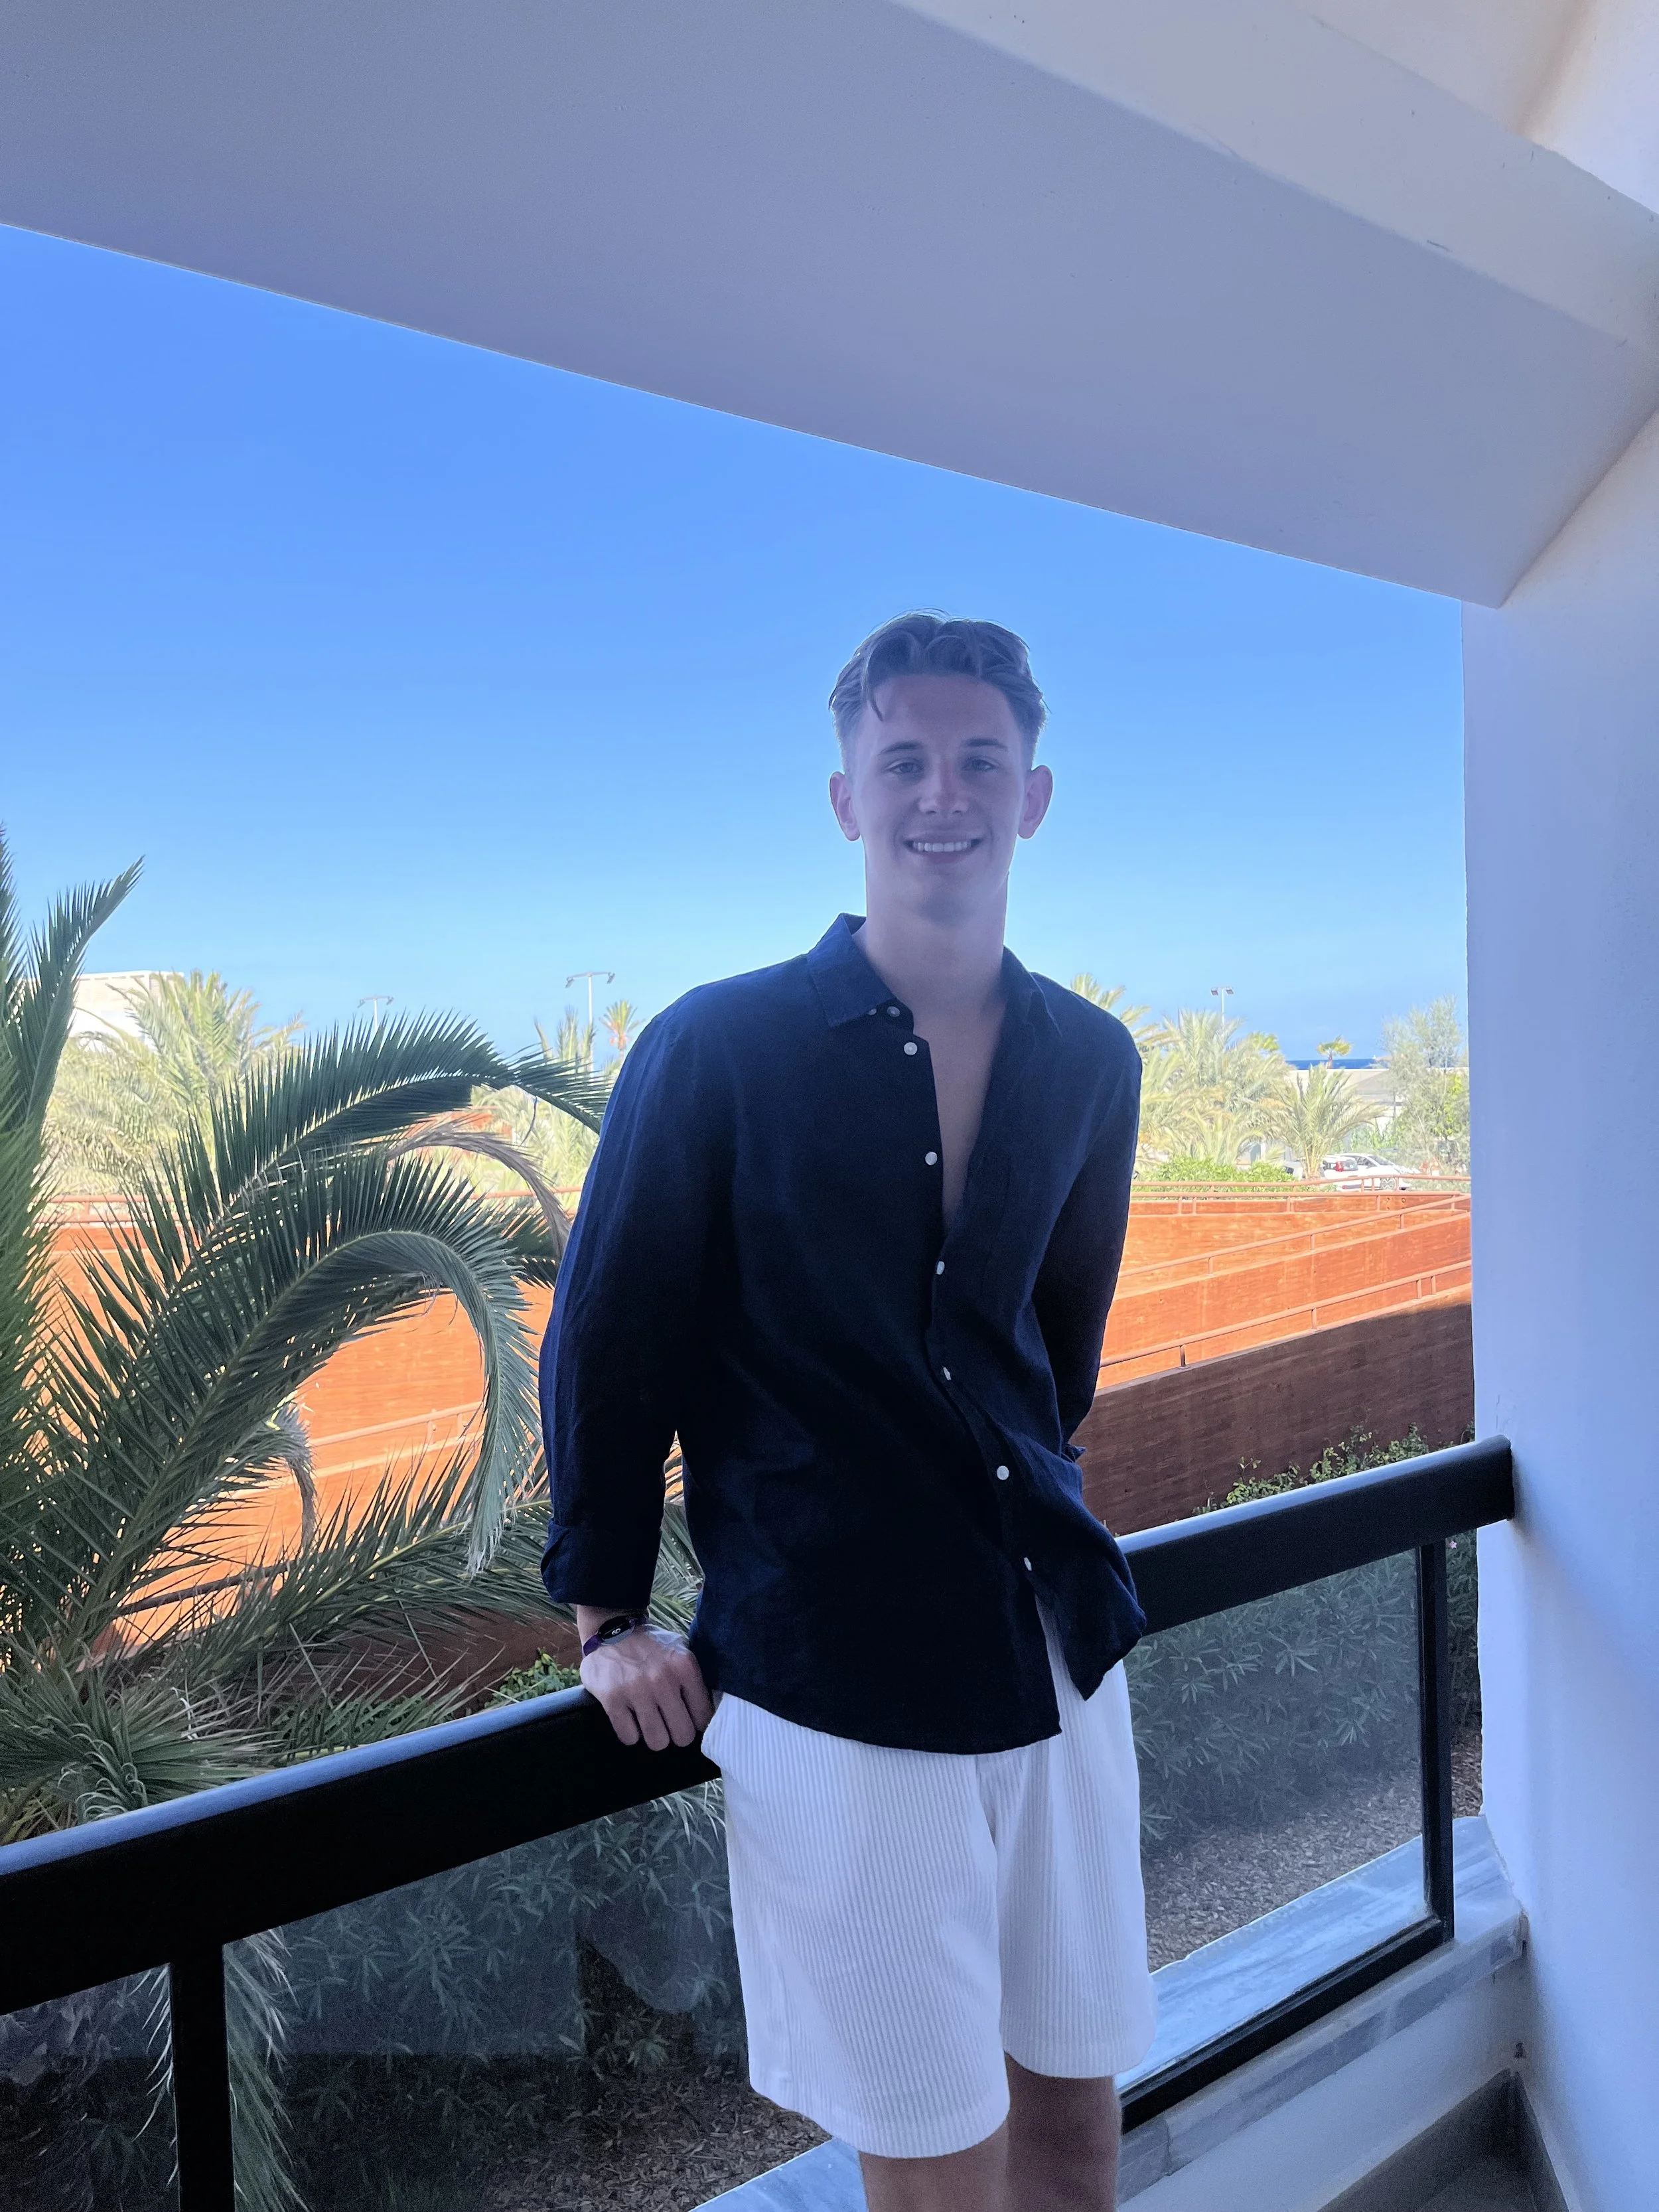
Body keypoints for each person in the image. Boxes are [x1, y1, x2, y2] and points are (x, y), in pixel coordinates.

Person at [541, 613, 1155, 2212]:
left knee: (1077, 2138)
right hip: (837, 1683)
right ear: (844, 797)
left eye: (976, 760)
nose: (938, 792)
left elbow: (1053, 1350)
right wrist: (608, 1611)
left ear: (1031, 796)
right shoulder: (716, 1047)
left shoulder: (1091, 1059)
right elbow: (613, 1339)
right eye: (903, 760)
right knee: (936, 2166)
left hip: (1057, 1656)